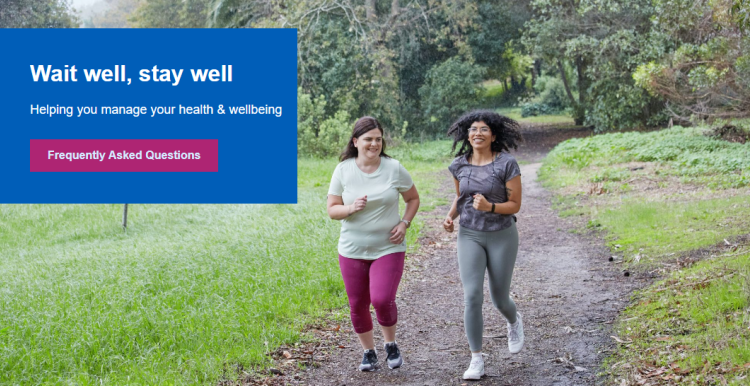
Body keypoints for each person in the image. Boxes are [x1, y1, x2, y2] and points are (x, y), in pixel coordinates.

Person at [327, 116, 420, 371]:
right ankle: (368, 351)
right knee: (357, 304)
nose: (374, 144)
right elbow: (332, 210)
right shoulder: (343, 170)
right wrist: (350, 208)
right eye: (368, 139)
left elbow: (413, 199)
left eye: (378, 139)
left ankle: (390, 344)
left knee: (381, 299)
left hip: (388, 246)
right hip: (351, 249)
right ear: (356, 141)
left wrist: (405, 223)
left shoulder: (393, 168)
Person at [442, 110, 525, 380]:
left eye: (484, 129)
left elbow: (515, 205)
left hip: (502, 234)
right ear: (468, 135)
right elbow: (461, 197)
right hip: (470, 235)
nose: (478, 133)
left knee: (500, 298)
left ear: (494, 135)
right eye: (473, 129)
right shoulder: (458, 165)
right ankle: (476, 358)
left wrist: (490, 206)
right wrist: (450, 216)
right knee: (472, 296)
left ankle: (513, 321)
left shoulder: (506, 164)